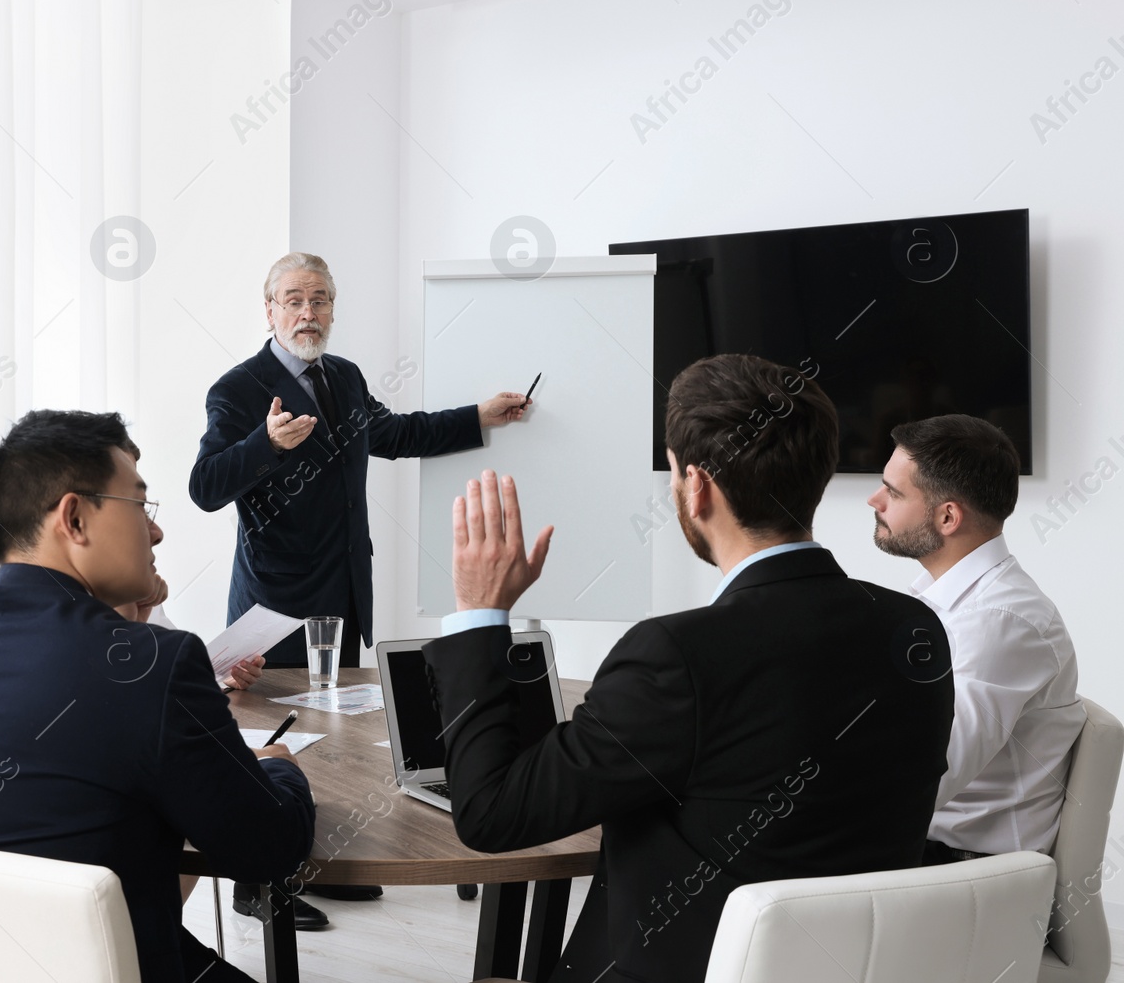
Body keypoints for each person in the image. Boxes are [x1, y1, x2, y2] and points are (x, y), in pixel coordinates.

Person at [421, 354, 956, 983]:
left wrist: (480, 613)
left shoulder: (676, 655)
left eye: (674, 474)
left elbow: (491, 814)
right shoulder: (915, 629)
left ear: (696, 486)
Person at [0, 410, 314, 983]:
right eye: (141, 506)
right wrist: (281, 771)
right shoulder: (154, 662)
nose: (156, 531)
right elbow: (268, 849)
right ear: (75, 518)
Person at [189, 251, 527, 920]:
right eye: (293, 299)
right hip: (273, 606)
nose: (307, 311)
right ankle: (262, 885)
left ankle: (317, 862)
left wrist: (479, 417)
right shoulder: (237, 389)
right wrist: (265, 444)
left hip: (344, 595)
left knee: (331, 741)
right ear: (270, 310)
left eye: (319, 298)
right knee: (276, 738)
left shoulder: (343, 377)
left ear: (334, 309)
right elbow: (205, 487)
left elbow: (396, 433)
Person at [869, 414, 1083, 863]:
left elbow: (929, 775)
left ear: (948, 516)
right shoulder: (941, 599)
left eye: (892, 491)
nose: (875, 500)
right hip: (930, 846)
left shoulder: (1000, 622)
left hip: (964, 869)